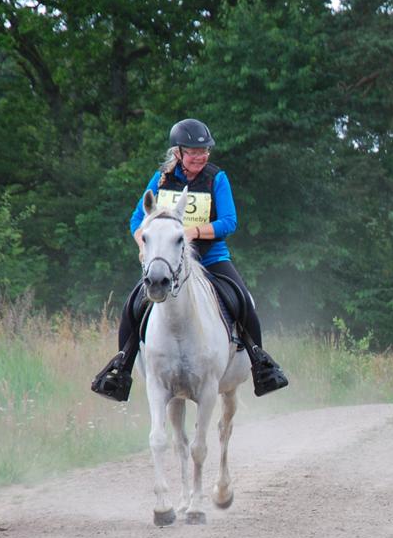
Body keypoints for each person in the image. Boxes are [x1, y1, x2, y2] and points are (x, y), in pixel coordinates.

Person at [91, 118, 289, 401]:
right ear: (178, 153)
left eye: (205, 151)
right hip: (170, 262)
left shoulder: (217, 178)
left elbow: (229, 222)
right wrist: (145, 248)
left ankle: (261, 364)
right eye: (194, 152)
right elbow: (138, 219)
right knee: (132, 306)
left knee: (242, 300)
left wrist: (192, 232)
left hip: (211, 258)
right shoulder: (161, 180)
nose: (200, 157)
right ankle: (121, 369)